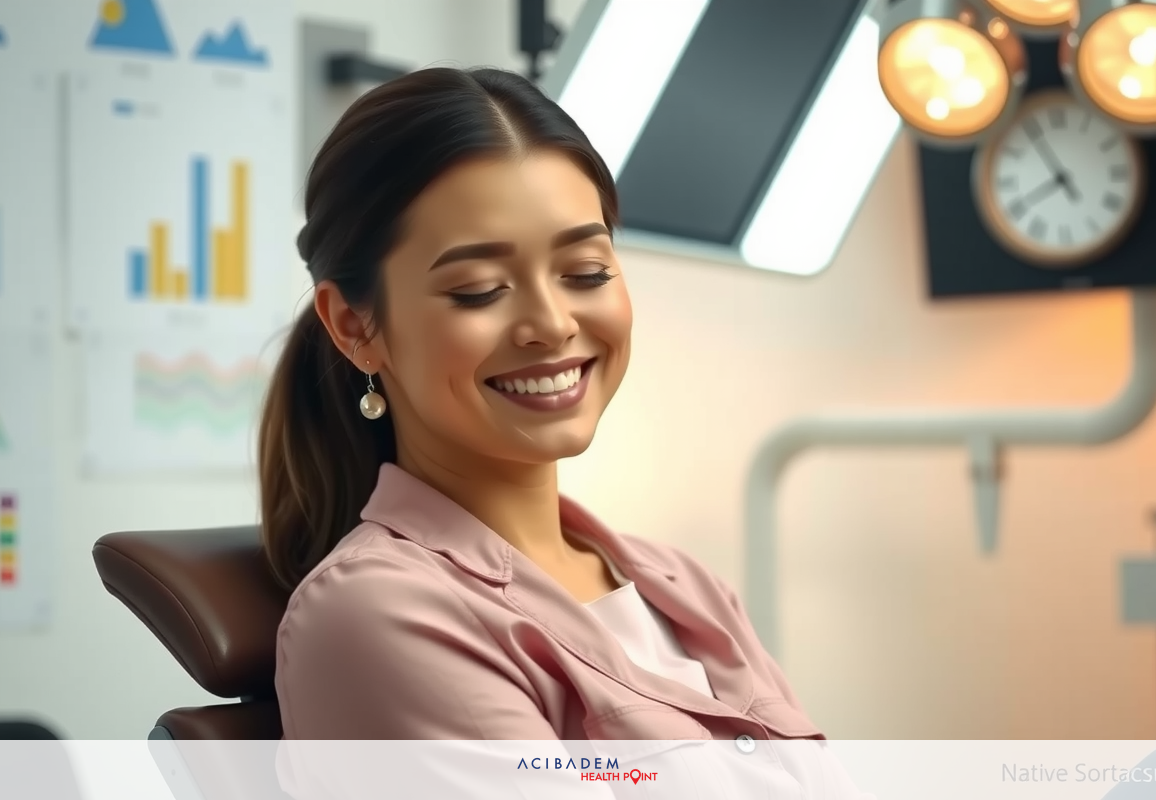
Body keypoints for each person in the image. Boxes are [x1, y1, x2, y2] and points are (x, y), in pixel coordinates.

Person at [259, 69, 861, 797]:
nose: (551, 324)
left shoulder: (681, 585)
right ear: (356, 326)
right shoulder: (380, 616)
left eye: (585, 271)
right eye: (478, 289)